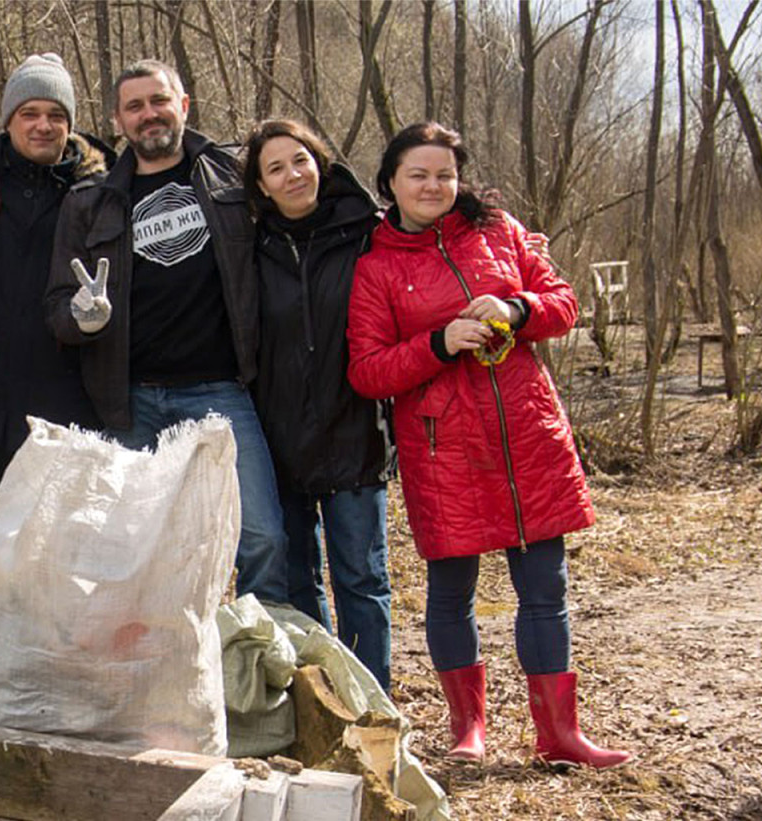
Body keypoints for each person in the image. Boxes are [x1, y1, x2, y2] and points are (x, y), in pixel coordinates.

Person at [346, 121, 631, 768]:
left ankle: (560, 733)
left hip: (528, 437)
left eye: (444, 174)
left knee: (545, 590)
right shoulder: (377, 266)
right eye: (418, 174)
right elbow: (367, 370)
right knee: (452, 594)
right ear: (390, 181)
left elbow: (564, 303)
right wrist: (441, 343)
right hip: (443, 451)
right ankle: (467, 729)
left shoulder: (499, 233)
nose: (433, 185)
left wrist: (519, 308)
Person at [46, 60, 289, 605]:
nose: (148, 114)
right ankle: (151, 667)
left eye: (159, 101)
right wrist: (83, 318)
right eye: (134, 106)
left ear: (183, 105)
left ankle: (261, 664)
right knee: (135, 549)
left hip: (222, 391)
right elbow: (58, 306)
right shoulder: (91, 202)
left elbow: (306, 217)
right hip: (129, 401)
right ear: (118, 121)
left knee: (263, 538)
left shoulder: (233, 176)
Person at [0, 54, 113, 621]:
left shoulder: (96, 185)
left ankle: (59, 650)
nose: (43, 125)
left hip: (66, 389)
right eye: (29, 113)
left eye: (55, 114)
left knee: (64, 535)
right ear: (8, 120)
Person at [239, 119, 395, 691]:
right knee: (301, 580)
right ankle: (325, 696)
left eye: (299, 160)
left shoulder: (367, 231)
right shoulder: (251, 248)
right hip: (279, 437)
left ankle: (374, 702)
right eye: (275, 168)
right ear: (261, 185)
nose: (292, 175)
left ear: (320, 162)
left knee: (362, 579)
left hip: (355, 430)